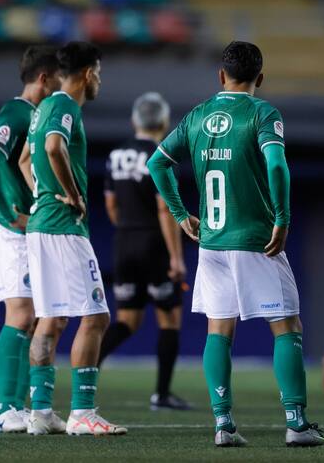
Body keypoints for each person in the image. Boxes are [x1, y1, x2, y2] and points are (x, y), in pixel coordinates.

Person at [147, 41, 324, 449]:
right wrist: (283, 219)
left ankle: (223, 424)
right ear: (260, 78)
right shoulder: (262, 113)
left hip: (212, 243)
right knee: (287, 327)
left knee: (219, 330)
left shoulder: (198, 116)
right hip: (255, 240)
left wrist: (182, 215)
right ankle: (297, 424)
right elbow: (276, 164)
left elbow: (158, 163)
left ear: (220, 76)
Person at [18, 41, 127, 436]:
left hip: (40, 224)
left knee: (51, 318)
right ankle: (83, 412)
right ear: (86, 73)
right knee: (96, 315)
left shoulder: (42, 108)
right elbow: (52, 147)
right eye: (98, 72)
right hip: (64, 226)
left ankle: (41, 412)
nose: (99, 80)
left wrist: (42, 193)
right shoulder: (64, 105)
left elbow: (25, 160)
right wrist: (72, 194)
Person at [0, 46, 61, 433]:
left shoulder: (37, 114)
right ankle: (6, 408)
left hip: (35, 229)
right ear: (44, 78)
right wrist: (12, 212)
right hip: (16, 231)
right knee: (22, 315)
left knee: (38, 318)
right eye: (58, 77)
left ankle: (24, 407)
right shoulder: (17, 113)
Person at [98, 92, 190, 411]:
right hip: (155, 244)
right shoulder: (161, 156)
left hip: (124, 241)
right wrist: (176, 258)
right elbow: (165, 210)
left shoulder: (116, 155)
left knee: (127, 319)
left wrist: (127, 226)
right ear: (164, 122)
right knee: (169, 319)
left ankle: (86, 370)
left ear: (134, 120)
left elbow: (110, 204)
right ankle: (162, 395)